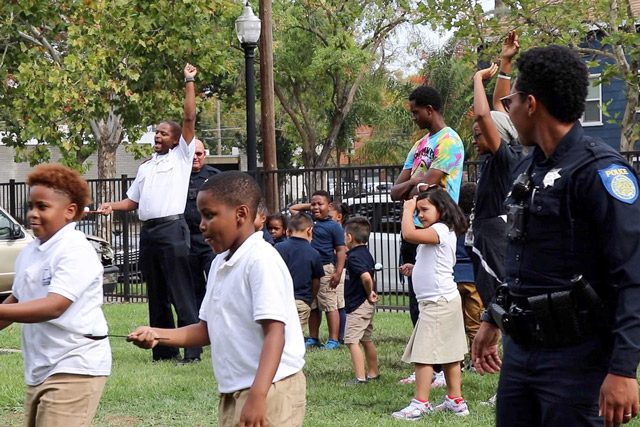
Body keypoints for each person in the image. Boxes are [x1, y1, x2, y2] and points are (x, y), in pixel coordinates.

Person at [472, 45, 640, 427]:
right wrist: (491, 318)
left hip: (578, 360)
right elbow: (520, 258)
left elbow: (633, 275)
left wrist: (624, 369)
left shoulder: (600, 173)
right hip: (522, 352)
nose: (508, 109)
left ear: (530, 104)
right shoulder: (529, 166)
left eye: (510, 100)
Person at [128, 171, 306, 427]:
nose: (201, 225)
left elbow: (275, 333)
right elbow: (206, 330)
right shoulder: (219, 263)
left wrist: (258, 396)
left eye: (210, 215)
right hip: (234, 390)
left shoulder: (261, 260)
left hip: (271, 389)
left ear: (241, 214)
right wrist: (157, 335)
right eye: (201, 215)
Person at [99, 63, 201, 363]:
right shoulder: (146, 166)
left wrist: (188, 81)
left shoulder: (182, 157)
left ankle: (191, 350)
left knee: (180, 291)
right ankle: (164, 350)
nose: (158, 136)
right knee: (155, 292)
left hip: (173, 230)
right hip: (150, 232)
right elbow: (133, 202)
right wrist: (111, 206)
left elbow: (189, 116)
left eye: (164, 133)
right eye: (156, 132)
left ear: (176, 139)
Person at [0, 164, 111, 427]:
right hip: (40, 368)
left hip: (75, 367)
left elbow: (54, 306)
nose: (32, 214)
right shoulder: (31, 251)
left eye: (42, 207)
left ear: (70, 211)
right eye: (31, 206)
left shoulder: (76, 251)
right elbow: (16, 300)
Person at [390, 85, 465, 385]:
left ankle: (441, 370)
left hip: (436, 230)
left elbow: (432, 186)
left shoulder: (451, 141)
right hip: (414, 226)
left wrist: (418, 181)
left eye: (415, 112)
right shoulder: (420, 145)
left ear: (429, 110)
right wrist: (418, 182)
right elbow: (397, 190)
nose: (413, 117)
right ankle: (430, 368)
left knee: (438, 298)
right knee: (417, 298)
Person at [392, 187, 469, 420]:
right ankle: (455, 400)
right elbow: (438, 263)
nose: (420, 215)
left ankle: (420, 403)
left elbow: (408, 235)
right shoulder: (440, 231)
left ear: (442, 209)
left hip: (437, 303)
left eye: (424, 210)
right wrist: (416, 269)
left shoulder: (440, 229)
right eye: (417, 211)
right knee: (449, 354)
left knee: (424, 354)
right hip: (443, 301)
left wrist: (406, 209)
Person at [468, 32, 522, 306]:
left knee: (498, 302)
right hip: (486, 231)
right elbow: (500, 104)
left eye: (479, 135)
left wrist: (478, 79)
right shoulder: (498, 155)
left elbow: (484, 115)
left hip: (494, 234)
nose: (475, 140)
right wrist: (505, 62)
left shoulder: (507, 158)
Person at [300, 190, 347, 350]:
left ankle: (333, 339)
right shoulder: (307, 222)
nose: (315, 207)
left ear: (329, 206)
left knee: (329, 304)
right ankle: (313, 337)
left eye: (320, 204)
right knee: (312, 305)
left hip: (326, 268)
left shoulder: (334, 227)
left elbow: (341, 250)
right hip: (308, 269)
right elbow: (293, 210)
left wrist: (338, 272)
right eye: (313, 204)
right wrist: (310, 206)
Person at [342, 217, 380, 385]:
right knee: (366, 339)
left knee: (352, 341)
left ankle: (360, 377)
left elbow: (365, 277)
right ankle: (373, 372)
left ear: (349, 238)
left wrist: (369, 291)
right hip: (365, 305)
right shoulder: (366, 254)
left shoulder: (354, 257)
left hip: (358, 304)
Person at [185, 138, 220, 310]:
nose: (195, 157)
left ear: (204, 155)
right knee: (193, 287)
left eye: (199, 153)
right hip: (187, 241)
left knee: (216, 283)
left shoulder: (215, 177)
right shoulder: (178, 177)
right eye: (191, 153)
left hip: (210, 241)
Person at [275, 213, 324, 335]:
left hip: (280, 300)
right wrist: (309, 300)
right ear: (310, 230)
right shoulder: (314, 253)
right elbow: (316, 281)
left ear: (287, 232)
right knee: (295, 336)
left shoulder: (278, 248)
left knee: (279, 333)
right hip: (301, 301)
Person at [455, 182, 482, 357]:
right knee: (475, 323)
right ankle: (476, 358)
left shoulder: (453, 224)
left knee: (454, 324)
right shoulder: (478, 223)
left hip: (453, 277)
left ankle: (456, 359)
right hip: (474, 278)